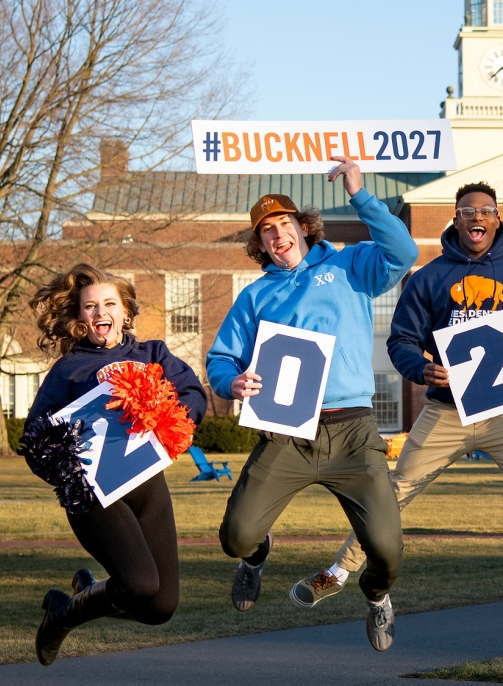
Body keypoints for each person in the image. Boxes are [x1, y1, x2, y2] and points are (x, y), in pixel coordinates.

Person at [288, 181, 503, 633]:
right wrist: (420, 369)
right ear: (456, 218)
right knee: (393, 491)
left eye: (485, 210)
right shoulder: (428, 278)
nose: (476, 218)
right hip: (447, 409)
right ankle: (338, 572)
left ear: (497, 218)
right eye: (467, 211)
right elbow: (401, 341)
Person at [207, 157, 416, 652]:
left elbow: (403, 251)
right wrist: (232, 382)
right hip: (286, 431)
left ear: (303, 227)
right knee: (236, 536)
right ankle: (256, 560)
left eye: (284, 224)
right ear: (258, 245)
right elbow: (221, 357)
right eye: (266, 232)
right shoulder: (256, 296)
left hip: (352, 430)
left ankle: (377, 596)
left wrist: (360, 195)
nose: (277, 235)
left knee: (386, 550)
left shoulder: (348, 264)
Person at [24, 263, 207, 666]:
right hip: (95, 496)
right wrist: (66, 468)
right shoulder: (69, 369)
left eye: (109, 303)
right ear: (79, 318)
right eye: (89, 306)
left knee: (160, 607)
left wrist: (169, 414)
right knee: (140, 584)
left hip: (147, 486)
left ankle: (74, 601)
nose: (98, 312)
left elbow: (193, 395)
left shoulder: (153, 353)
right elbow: (33, 439)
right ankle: (62, 617)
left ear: (125, 312)